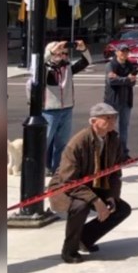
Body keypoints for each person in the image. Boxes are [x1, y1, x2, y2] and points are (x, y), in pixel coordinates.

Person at [49, 103, 132, 264]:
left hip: (94, 184)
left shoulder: (113, 139)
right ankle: (69, 249)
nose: (112, 121)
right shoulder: (78, 142)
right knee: (80, 206)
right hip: (66, 187)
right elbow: (68, 180)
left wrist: (111, 196)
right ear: (93, 121)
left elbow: (115, 172)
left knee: (121, 208)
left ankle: (85, 238)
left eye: (114, 117)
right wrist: (96, 201)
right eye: (107, 118)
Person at [42, 39, 92, 173]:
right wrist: (52, 51)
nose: (63, 55)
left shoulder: (68, 67)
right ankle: (42, 168)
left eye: (65, 53)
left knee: (62, 143)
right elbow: (39, 64)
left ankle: (57, 169)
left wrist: (83, 49)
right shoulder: (45, 69)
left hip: (67, 109)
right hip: (50, 111)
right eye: (60, 53)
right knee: (45, 142)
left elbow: (87, 61)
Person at [103, 44, 137, 161]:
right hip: (112, 102)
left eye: (126, 51)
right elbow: (112, 81)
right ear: (117, 52)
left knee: (124, 128)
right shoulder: (110, 65)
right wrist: (126, 79)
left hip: (126, 101)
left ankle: (123, 153)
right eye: (122, 51)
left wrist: (122, 79)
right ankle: (108, 153)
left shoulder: (130, 65)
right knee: (109, 128)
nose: (124, 54)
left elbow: (133, 82)